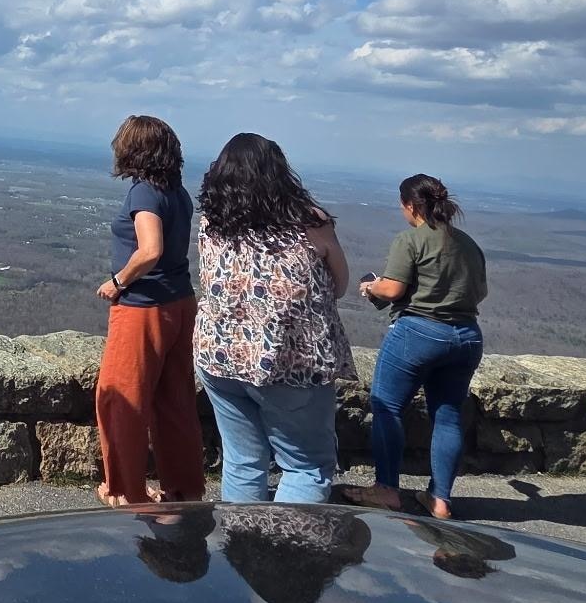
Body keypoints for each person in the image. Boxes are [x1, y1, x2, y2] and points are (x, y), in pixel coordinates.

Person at [193, 133, 353, 504]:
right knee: (305, 466)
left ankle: (243, 551)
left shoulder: (213, 223)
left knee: (243, 462)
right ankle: (285, 556)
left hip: (218, 358)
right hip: (290, 366)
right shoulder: (311, 224)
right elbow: (340, 284)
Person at [344, 174, 488, 521]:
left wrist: (371, 288)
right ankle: (440, 500)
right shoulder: (468, 243)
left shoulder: (410, 240)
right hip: (467, 336)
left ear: (410, 205)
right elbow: (479, 293)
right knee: (449, 414)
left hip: (419, 333)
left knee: (387, 406)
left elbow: (393, 290)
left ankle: (387, 490)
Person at [93, 115, 205, 507]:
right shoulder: (177, 192)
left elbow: (150, 249)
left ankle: (126, 492)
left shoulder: (143, 193)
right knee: (175, 401)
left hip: (143, 308)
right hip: (179, 303)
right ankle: (185, 489)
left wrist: (119, 282)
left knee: (120, 399)